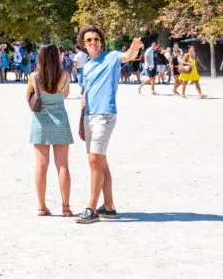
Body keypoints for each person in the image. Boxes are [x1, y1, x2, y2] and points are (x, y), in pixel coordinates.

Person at [76, 27, 143, 225]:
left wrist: (134, 48)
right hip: (89, 116)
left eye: (96, 39)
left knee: (95, 160)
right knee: (100, 161)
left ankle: (92, 208)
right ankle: (109, 206)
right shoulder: (87, 66)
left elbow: (128, 56)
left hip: (105, 115)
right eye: (89, 40)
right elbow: (85, 94)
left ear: (101, 41)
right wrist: (81, 121)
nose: (93, 42)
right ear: (84, 44)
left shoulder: (112, 57)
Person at [28, 43, 73, 217]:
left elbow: (29, 98)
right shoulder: (65, 75)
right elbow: (66, 95)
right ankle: (66, 206)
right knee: (63, 165)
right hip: (60, 120)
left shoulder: (34, 77)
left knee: (41, 165)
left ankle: (41, 206)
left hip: (40, 122)